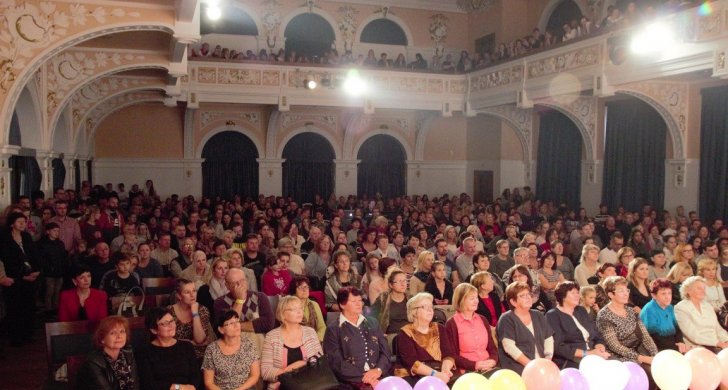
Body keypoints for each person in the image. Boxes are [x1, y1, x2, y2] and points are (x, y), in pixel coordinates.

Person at [323, 286, 391, 388]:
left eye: (360, 300)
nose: (359, 304)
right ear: (342, 304)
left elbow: (385, 352)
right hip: (351, 381)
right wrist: (366, 377)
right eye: (354, 301)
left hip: (379, 375)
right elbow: (336, 363)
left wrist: (378, 370)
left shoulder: (373, 322)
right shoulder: (333, 329)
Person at [261, 295, 324, 389]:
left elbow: (321, 361)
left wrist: (303, 363)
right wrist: (290, 370)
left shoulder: (310, 332)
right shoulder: (271, 336)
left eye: (300, 308)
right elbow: (265, 371)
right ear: (282, 314)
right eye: (293, 309)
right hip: (282, 386)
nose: (299, 312)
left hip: (310, 384)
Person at [395, 292, 455, 386]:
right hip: (414, 375)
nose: (430, 310)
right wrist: (436, 374)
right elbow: (412, 363)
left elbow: (448, 355)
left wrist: (445, 371)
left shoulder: (440, 328)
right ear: (414, 312)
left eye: (431, 307)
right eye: (424, 307)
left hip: (439, 370)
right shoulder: (405, 333)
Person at [546, 281, 609, 369]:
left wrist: (600, 346)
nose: (577, 295)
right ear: (563, 296)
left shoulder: (581, 310)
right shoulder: (552, 315)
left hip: (593, 354)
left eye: (577, 293)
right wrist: (588, 353)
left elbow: (596, 334)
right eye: (573, 293)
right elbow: (558, 347)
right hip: (571, 360)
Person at [597, 276, 658, 364]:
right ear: (611, 295)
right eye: (621, 291)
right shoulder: (604, 315)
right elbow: (615, 346)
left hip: (638, 352)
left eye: (627, 290)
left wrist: (655, 356)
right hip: (617, 357)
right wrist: (642, 358)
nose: (626, 294)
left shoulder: (631, 311)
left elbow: (645, 337)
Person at [497, 281, 554, 375]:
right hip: (518, 368)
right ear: (513, 302)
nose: (528, 297)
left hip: (541, 365)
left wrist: (547, 359)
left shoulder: (538, 314)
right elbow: (509, 347)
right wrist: (531, 365)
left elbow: (548, 338)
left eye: (528, 294)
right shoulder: (506, 318)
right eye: (522, 295)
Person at [0, 212, 40, 345]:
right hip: (14, 277)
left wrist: (36, 270)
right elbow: (6, 259)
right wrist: (20, 276)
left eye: (24, 222)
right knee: (15, 307)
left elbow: (34, 254)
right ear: (12, 224)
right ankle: (16, 336)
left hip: (29, 275)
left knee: (29, 306)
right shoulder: (5, 238)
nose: (23, 224)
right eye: (20, 222)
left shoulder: (27, 236)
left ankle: (27, 333)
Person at [137, 308, 201, 390]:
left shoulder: (187, 346)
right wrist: (177, 387)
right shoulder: (144, 352)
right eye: (165, 324)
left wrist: (191, 387)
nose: (171, 325)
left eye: (172, 321)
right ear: (153, 330)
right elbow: (148, 383)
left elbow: (196, 376)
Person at [444, 282, 499, 374]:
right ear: (461, 300)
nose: (476, 301)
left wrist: (493, 360)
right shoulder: (451, 324)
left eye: (476, 297)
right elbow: (452, 355)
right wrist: (475, 365)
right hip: (468, 371)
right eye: (471, 298)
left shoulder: (483, 319)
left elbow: (492, 348)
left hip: (489, 367)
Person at [202, 310, 261, 390]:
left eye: (237, 321)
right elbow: (209, 383)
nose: (236, 325)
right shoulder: (212, 349)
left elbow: (255, 375)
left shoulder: (249, 344)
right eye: (231, 323)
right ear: (221, 329)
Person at [76, 316, 139, 390]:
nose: (119, 336)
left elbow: (135, 385)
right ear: (102, 339)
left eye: (122, 331)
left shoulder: (128, 354)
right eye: (113, 333)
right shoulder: (94, 362)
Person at [213, 268, 275, 335]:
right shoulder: (220, 302)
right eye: (234, 282)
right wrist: (240, 300)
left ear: (246, 281)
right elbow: (226, 329)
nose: (240, 284)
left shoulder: (260, 297)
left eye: (242, 280)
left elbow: (268, 324)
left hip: (259, 340)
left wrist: (236, 326)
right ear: (227, 286)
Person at [674, 276, 728, 352]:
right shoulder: (681, 308)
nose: (703, 291)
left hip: (716, 344)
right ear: (688, 290)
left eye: (704, 288)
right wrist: (718, 343)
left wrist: (726, 340)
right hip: (697, 347)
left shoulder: (708, 306)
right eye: (699, 288)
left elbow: (718, 329)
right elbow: (693, 335)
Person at [169, 278, 216, 359]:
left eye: (194, 291)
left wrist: (195, 314)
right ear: (179, 296)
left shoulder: (202, 310)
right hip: (176, 353)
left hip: (199, 355)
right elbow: (168, 339)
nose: (192, 295)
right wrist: (189, 342)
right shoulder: (169, 312)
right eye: (187, 292)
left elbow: (199, 340)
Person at [639, 278, 690, 352]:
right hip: (657, 349)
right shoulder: (649, 310)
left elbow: (676, 328)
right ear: (654, 295)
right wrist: (677, 348)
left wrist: (680, 342)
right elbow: (654, 338)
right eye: (663, 293)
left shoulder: (670, 307)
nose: (667, 297)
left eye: (669, 293)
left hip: (672, 345)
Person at [371, 268, 411, 335]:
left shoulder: (411, 299)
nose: (403, 284)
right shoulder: (383, 298)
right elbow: (371, 316)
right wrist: (379, 333)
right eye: (399, 281)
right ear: (390, 285)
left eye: (404, 281)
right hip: (390, 335)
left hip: (408, 334)